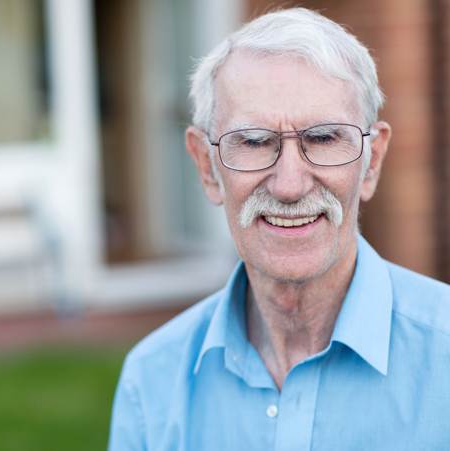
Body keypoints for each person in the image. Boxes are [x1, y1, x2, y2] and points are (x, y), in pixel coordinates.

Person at [108, 8, 450, 450]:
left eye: (324, 138)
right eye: (253, 141)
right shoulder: (152, 382)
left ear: (372, 161)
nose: (290, 185)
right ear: (207, 168)